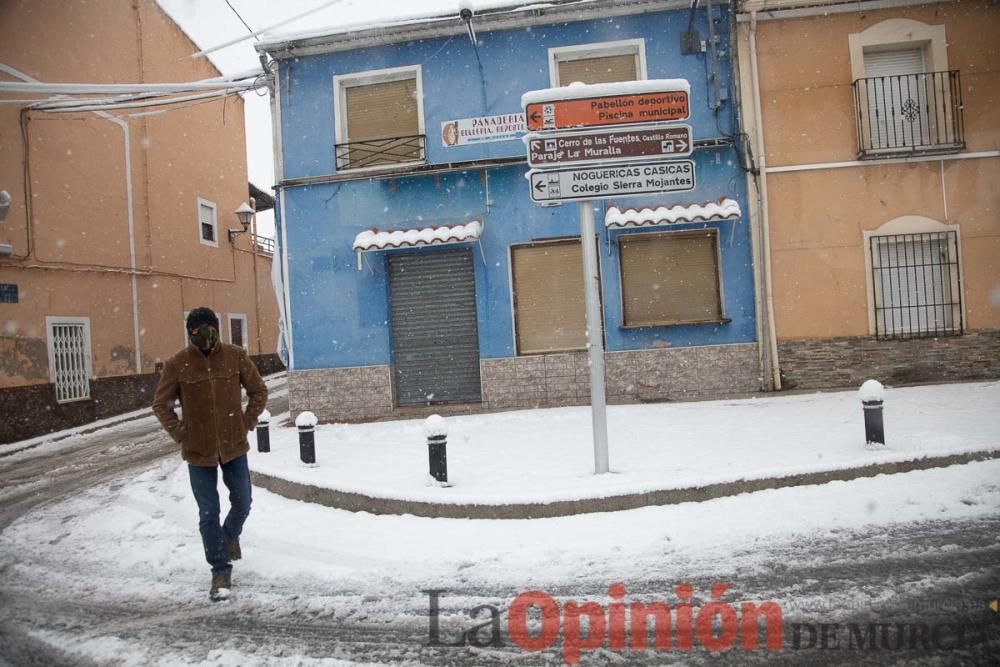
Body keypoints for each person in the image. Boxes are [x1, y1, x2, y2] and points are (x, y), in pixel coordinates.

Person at [152, 307, 268, 601]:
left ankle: (229, 535)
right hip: (198, 451)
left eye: (210, 328)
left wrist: (246, 422)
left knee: (243, 501)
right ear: (190, 334)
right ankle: (219, 569)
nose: (205, 334)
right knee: (208, 513)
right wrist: (181, 434)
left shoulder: (235, 356)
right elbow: (160, 405)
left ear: (217, 329)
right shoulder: (177, 365)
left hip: (234, 447)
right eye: (197, 330)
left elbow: (259, 391)